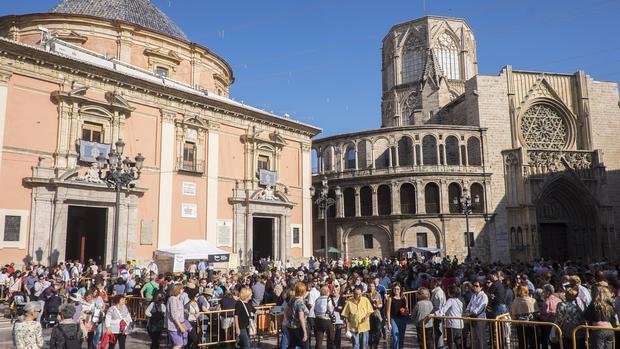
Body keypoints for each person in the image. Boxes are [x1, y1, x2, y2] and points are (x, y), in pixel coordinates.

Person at [435, 284, 464, 349]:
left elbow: (443, 310)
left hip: (452, 325)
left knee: (450, 342)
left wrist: (435, 314)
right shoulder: (459, 301)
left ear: (451, 292)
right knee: (458, 343)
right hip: (459, 325)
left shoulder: (450, 300)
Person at [510, 284, 538, 349]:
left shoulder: (516, 301)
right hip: (532, 324)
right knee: (532, 342)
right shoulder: (532, 300)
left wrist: (514, 320)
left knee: (522, 342)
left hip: (520, 324)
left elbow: (513, 313)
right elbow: (536, 312)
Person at [464, 281, 488, 349]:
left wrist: (470, 313)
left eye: (477, 286)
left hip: (479, 318)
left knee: (481, 337)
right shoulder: (473, 295)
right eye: (474, 285)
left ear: (481, 287)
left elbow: (480, 309)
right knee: (474, 337)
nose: (474, 287)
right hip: (472, 318)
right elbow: (469, 305)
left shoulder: (484, 296)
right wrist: (467, 311)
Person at [288, 282, 309, 349]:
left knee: (292, 345)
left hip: (292, 325)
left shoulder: (292, 299)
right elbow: (301, 318)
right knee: (304, 346)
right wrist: (305, 332)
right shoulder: (300, 303)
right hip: (299, 327)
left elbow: (287, 310)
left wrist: (287, 319)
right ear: (303, 292)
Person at [386, 282, 408, 349]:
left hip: (403, 319)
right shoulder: (390, 298)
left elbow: (407, 309)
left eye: (398, 289)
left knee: (401, 337)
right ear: (392, 290)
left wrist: (405, 312)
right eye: (395, 289)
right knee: (395, 337)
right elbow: (388, 312)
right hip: (394, 319)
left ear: (400, 289)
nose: (396, 291)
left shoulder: (404, 298)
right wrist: (389, 323)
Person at [168, 284, 190, 349]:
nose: (183, 290)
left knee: (182, 343)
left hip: (180, 324)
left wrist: (183, 310)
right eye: (182, 288)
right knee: (179, 344)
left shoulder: (178, 299)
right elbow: (174, 315)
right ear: (178, 290)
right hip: (174, 326)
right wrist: (181, 327)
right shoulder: (173, 299)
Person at [539, 284, 561, 349]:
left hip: (548, 324)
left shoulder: (547, 301)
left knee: (547, 340)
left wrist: (539, 315)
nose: (542, 293)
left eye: (543, 291)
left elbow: (544, 313)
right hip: (557, 323)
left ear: (548, 292)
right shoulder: (558, 299)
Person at [366, 283, 382, 349]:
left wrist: (378, 306)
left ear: (375, 287)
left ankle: (376, 344)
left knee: (378, 330)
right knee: (370, 331)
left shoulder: (377, 294)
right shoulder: (365, 294)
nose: (371, 287)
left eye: (372, 286)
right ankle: (370, 345)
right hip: (368, 315)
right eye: (370, 286)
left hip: (376, 314)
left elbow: (381, 304)